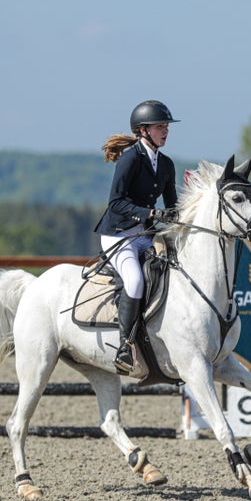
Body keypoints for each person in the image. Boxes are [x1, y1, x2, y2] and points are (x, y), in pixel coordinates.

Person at [94, 100, 179, 374]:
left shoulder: (165, 164)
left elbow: (173, 206)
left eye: (166, 127)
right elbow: (115, 203)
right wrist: (152, 213)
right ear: (143, 130)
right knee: (135, 279)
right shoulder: (130, 158)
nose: (165, 131)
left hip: (145, 235)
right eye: (160, 127)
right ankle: (125, 347)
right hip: (118, 235)